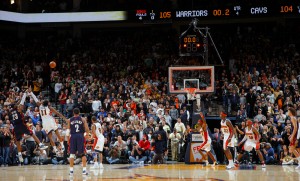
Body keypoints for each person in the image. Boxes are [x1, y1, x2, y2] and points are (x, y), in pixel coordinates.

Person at [9, 91, 48, 164]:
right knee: (32, 133)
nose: (18, 106)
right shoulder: (18, 110)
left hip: (15, 127)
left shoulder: (11, 112)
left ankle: (20, 154)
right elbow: (22, 102)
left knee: (17, 141)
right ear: (15, 107)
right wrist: (24, 94)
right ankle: (40, 144)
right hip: (21, 125)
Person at [66, 108, 90, 176]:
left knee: (72, 154)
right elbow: (87, 129)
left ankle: (71, 171)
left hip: (73, 136)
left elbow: (67, 132)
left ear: (73, 113)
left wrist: (68, 140)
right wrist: (86, 135)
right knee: (83, 154)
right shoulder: (83, 119)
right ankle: (84, 171)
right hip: (80, 136)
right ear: (79, 113)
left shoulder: (69, 120)